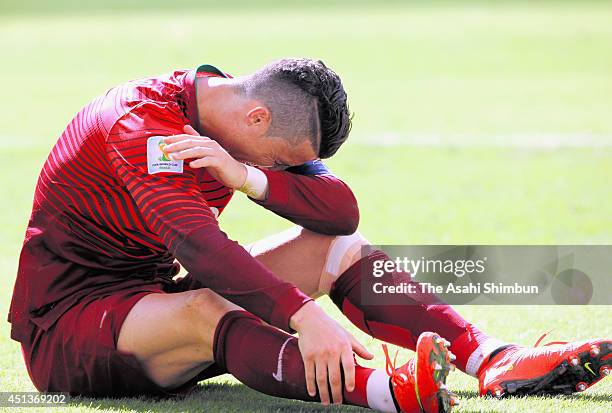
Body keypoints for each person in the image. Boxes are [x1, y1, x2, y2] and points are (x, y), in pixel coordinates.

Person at [8, 58, 609, 413]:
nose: (280, 170)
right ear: (257, 119)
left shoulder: (239, 115)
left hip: (147, 297)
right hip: (69, 329)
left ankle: (492, 358)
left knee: (337, 249)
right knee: (202, 309)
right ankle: (389, 394)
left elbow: (341, 212)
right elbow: (200, 248)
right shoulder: (143, 127)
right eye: (277, 160)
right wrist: (303, 315)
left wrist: (251, 176)